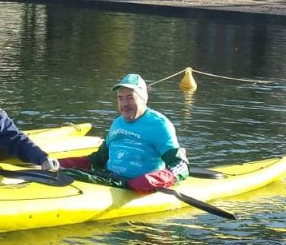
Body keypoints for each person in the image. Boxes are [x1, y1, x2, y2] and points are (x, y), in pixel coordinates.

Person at [59, 74, 189, 192]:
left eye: (130, 98)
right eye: (120, 98)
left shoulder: (159, 125)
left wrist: (153, 180)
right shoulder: (117, 123)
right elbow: (98, 160)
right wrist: (61, 163)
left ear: (143, 98)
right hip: (110, 179)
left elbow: (180, 165)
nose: (125, 104)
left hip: (136, 186)